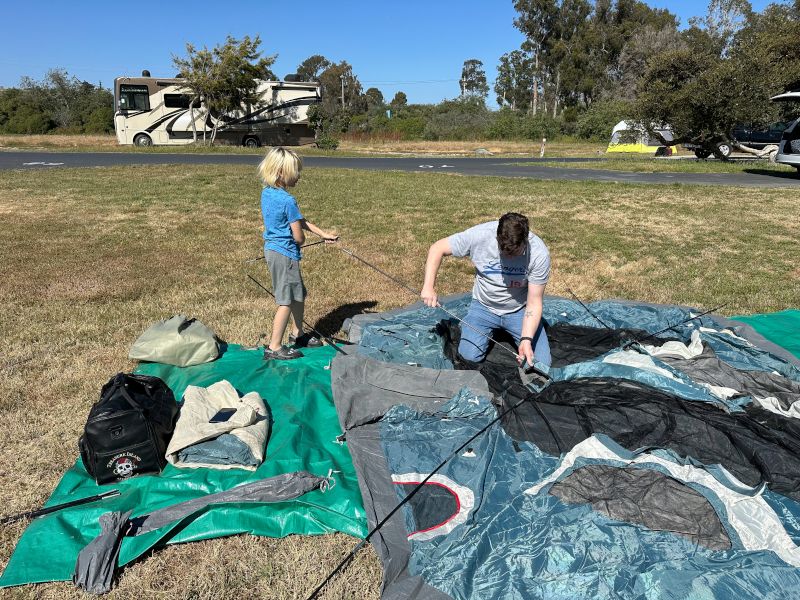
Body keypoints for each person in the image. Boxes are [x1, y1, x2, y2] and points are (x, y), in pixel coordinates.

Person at [420, 212, 551, 367]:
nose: (509, 258)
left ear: (526, 240)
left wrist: (526, 339)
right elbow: (437, 248)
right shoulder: (480, 235)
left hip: (519, 310)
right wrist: (428, 287)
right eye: (504, 252)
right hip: (484, 307)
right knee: (468, 357)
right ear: (497, 238)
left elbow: (534, 302)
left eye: (515, 253)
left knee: (540, 363)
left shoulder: (538, 254)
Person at [258, 147, 338, 360]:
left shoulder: (267, 193)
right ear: (281, 173)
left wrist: (323, 234)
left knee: (298, 294)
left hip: (274, 251)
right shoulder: (288, 200)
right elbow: (298, 236)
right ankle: (274, 347)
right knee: (286, 300)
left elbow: (299, 220)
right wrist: (301, 240)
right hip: (285, 255)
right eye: (296, 172)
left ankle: (298, 334)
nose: (299, 176)